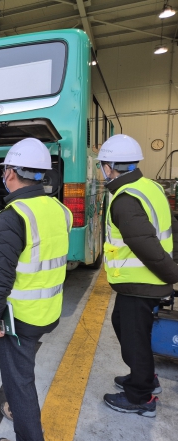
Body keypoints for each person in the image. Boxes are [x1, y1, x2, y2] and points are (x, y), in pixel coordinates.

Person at [0, 138, 72, 441]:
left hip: (20, 319)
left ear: (10, 173)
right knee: (23, 374)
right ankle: (18, 411)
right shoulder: (60, 210)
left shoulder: (11, 218)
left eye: (4, 170)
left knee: (19, 384)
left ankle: (29, 440)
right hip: (49, 311)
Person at [97, 134, 178, 418]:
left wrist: (172, 275)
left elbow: (146, 246)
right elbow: (172, 227)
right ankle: (145, 378)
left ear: (110, 167)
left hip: (142, 282)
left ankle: (140, 398)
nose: (102, 170)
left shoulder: (125, 199)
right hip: (142, 282)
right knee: (124, 325)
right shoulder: (149, 187)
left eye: (102, 165)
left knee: (134, 338)